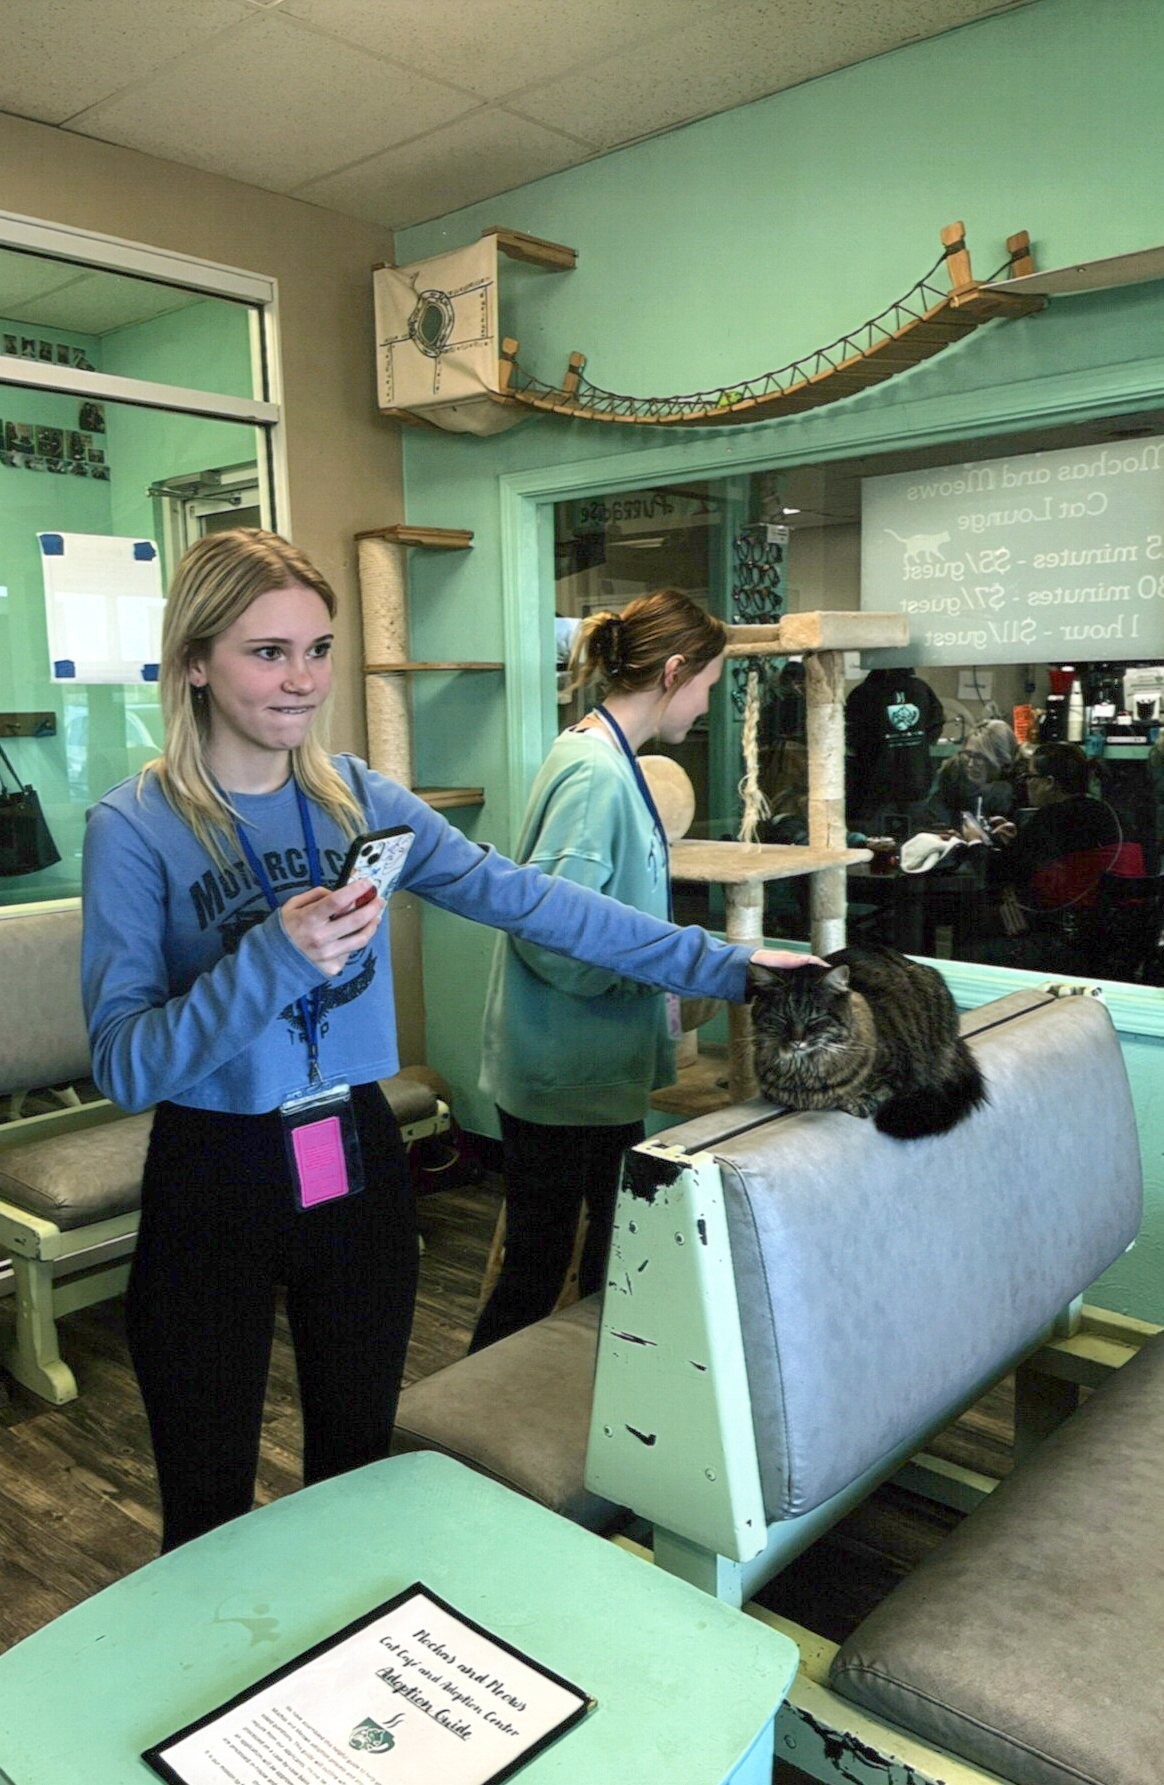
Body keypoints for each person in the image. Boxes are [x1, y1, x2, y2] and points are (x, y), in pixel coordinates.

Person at [81, 532, 808, 1550]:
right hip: (215, 1170)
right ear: (195, 660)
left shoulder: (357, 798)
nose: (303, 680)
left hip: (354, 1153)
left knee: (358, 1476)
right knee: (205, 1511)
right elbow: (126, 1064)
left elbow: (530, 900)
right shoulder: (134, 826)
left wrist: (726, 966)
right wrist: (274, 957)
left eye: (318, 649)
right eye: (267, 652)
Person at [473, 590, 734, 1351]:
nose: (706, 702)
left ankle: (579, 1408)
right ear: (674, 671)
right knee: (537, 1272)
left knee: (610, 1265)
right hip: (565, 1077)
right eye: (708, 684)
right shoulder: (596, 774)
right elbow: (554, 938)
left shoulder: (607, 756)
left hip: (590, 1070)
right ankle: (464, 1418)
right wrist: (657, 974)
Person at [970, 741, 1122, 971]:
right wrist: (1019, 842)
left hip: (1060, 941)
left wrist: (974, 841)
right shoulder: (1105, 812)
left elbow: (996, 873)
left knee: (970, 941)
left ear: (1049, 783)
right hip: (1104, 938)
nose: (1026, 783)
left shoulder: (1050, 818)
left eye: (1030, 776)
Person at [844, 665, 944, 835]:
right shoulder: (921, 689)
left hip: (876, 788)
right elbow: (935, 725)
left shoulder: (863, 693)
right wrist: (914, 746)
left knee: (878, 843)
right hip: (916, 782)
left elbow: (852, 736)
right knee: (914, 841)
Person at [922, 718, 1024, 835]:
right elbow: (929, 825)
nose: (970, 764)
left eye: (979, 757)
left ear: (1001, 760)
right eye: (968, 754)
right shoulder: (951, 783)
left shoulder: (1019, 795)